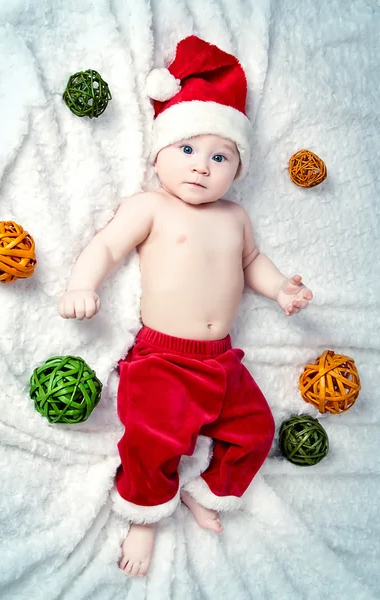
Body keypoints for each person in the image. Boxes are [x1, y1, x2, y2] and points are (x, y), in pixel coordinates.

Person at [58, 35, 313, 578]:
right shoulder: (151, 206)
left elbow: (252, 264)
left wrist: (280, 289)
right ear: (159, 154)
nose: (201, 167)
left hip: (221, 362)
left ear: (237, 169)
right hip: (163, 361)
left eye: (220, 156)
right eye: (187, 150)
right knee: (153, 443)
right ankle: (144, 519)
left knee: (256, 432)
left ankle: (208, 490)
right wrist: (83, 284)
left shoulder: (235, 218)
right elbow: (105, 245)